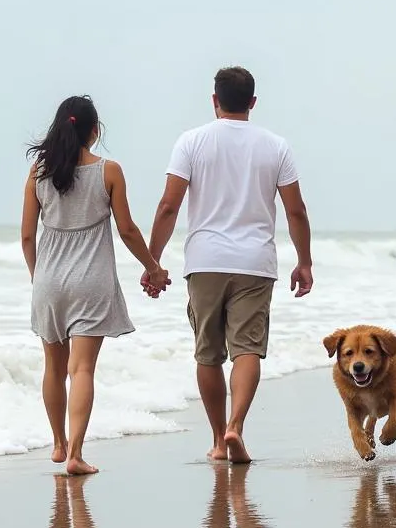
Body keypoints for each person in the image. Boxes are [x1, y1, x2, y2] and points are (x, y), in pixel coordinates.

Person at [143, 66, 313, 464]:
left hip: (205, 261)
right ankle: (237, 424)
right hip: (256, 262)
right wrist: (304, 262)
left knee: (208, 354)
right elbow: (296, 211)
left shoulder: (191, 142)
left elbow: (169, 206)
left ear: (214, 100)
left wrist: (153, 262)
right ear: (253, 102)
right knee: (247, 349)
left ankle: (219, 440)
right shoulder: (276, 146)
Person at [22, 95, 170, 476]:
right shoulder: (109, 171)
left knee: (53, 368)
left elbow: (26, 237)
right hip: (92, 281)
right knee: (82, 369)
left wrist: (39, 280)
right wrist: (153, 268)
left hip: (48, 281)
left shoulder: (38, 173)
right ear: (94, 130)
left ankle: (57, 444)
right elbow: (128, 230)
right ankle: (75, 453)